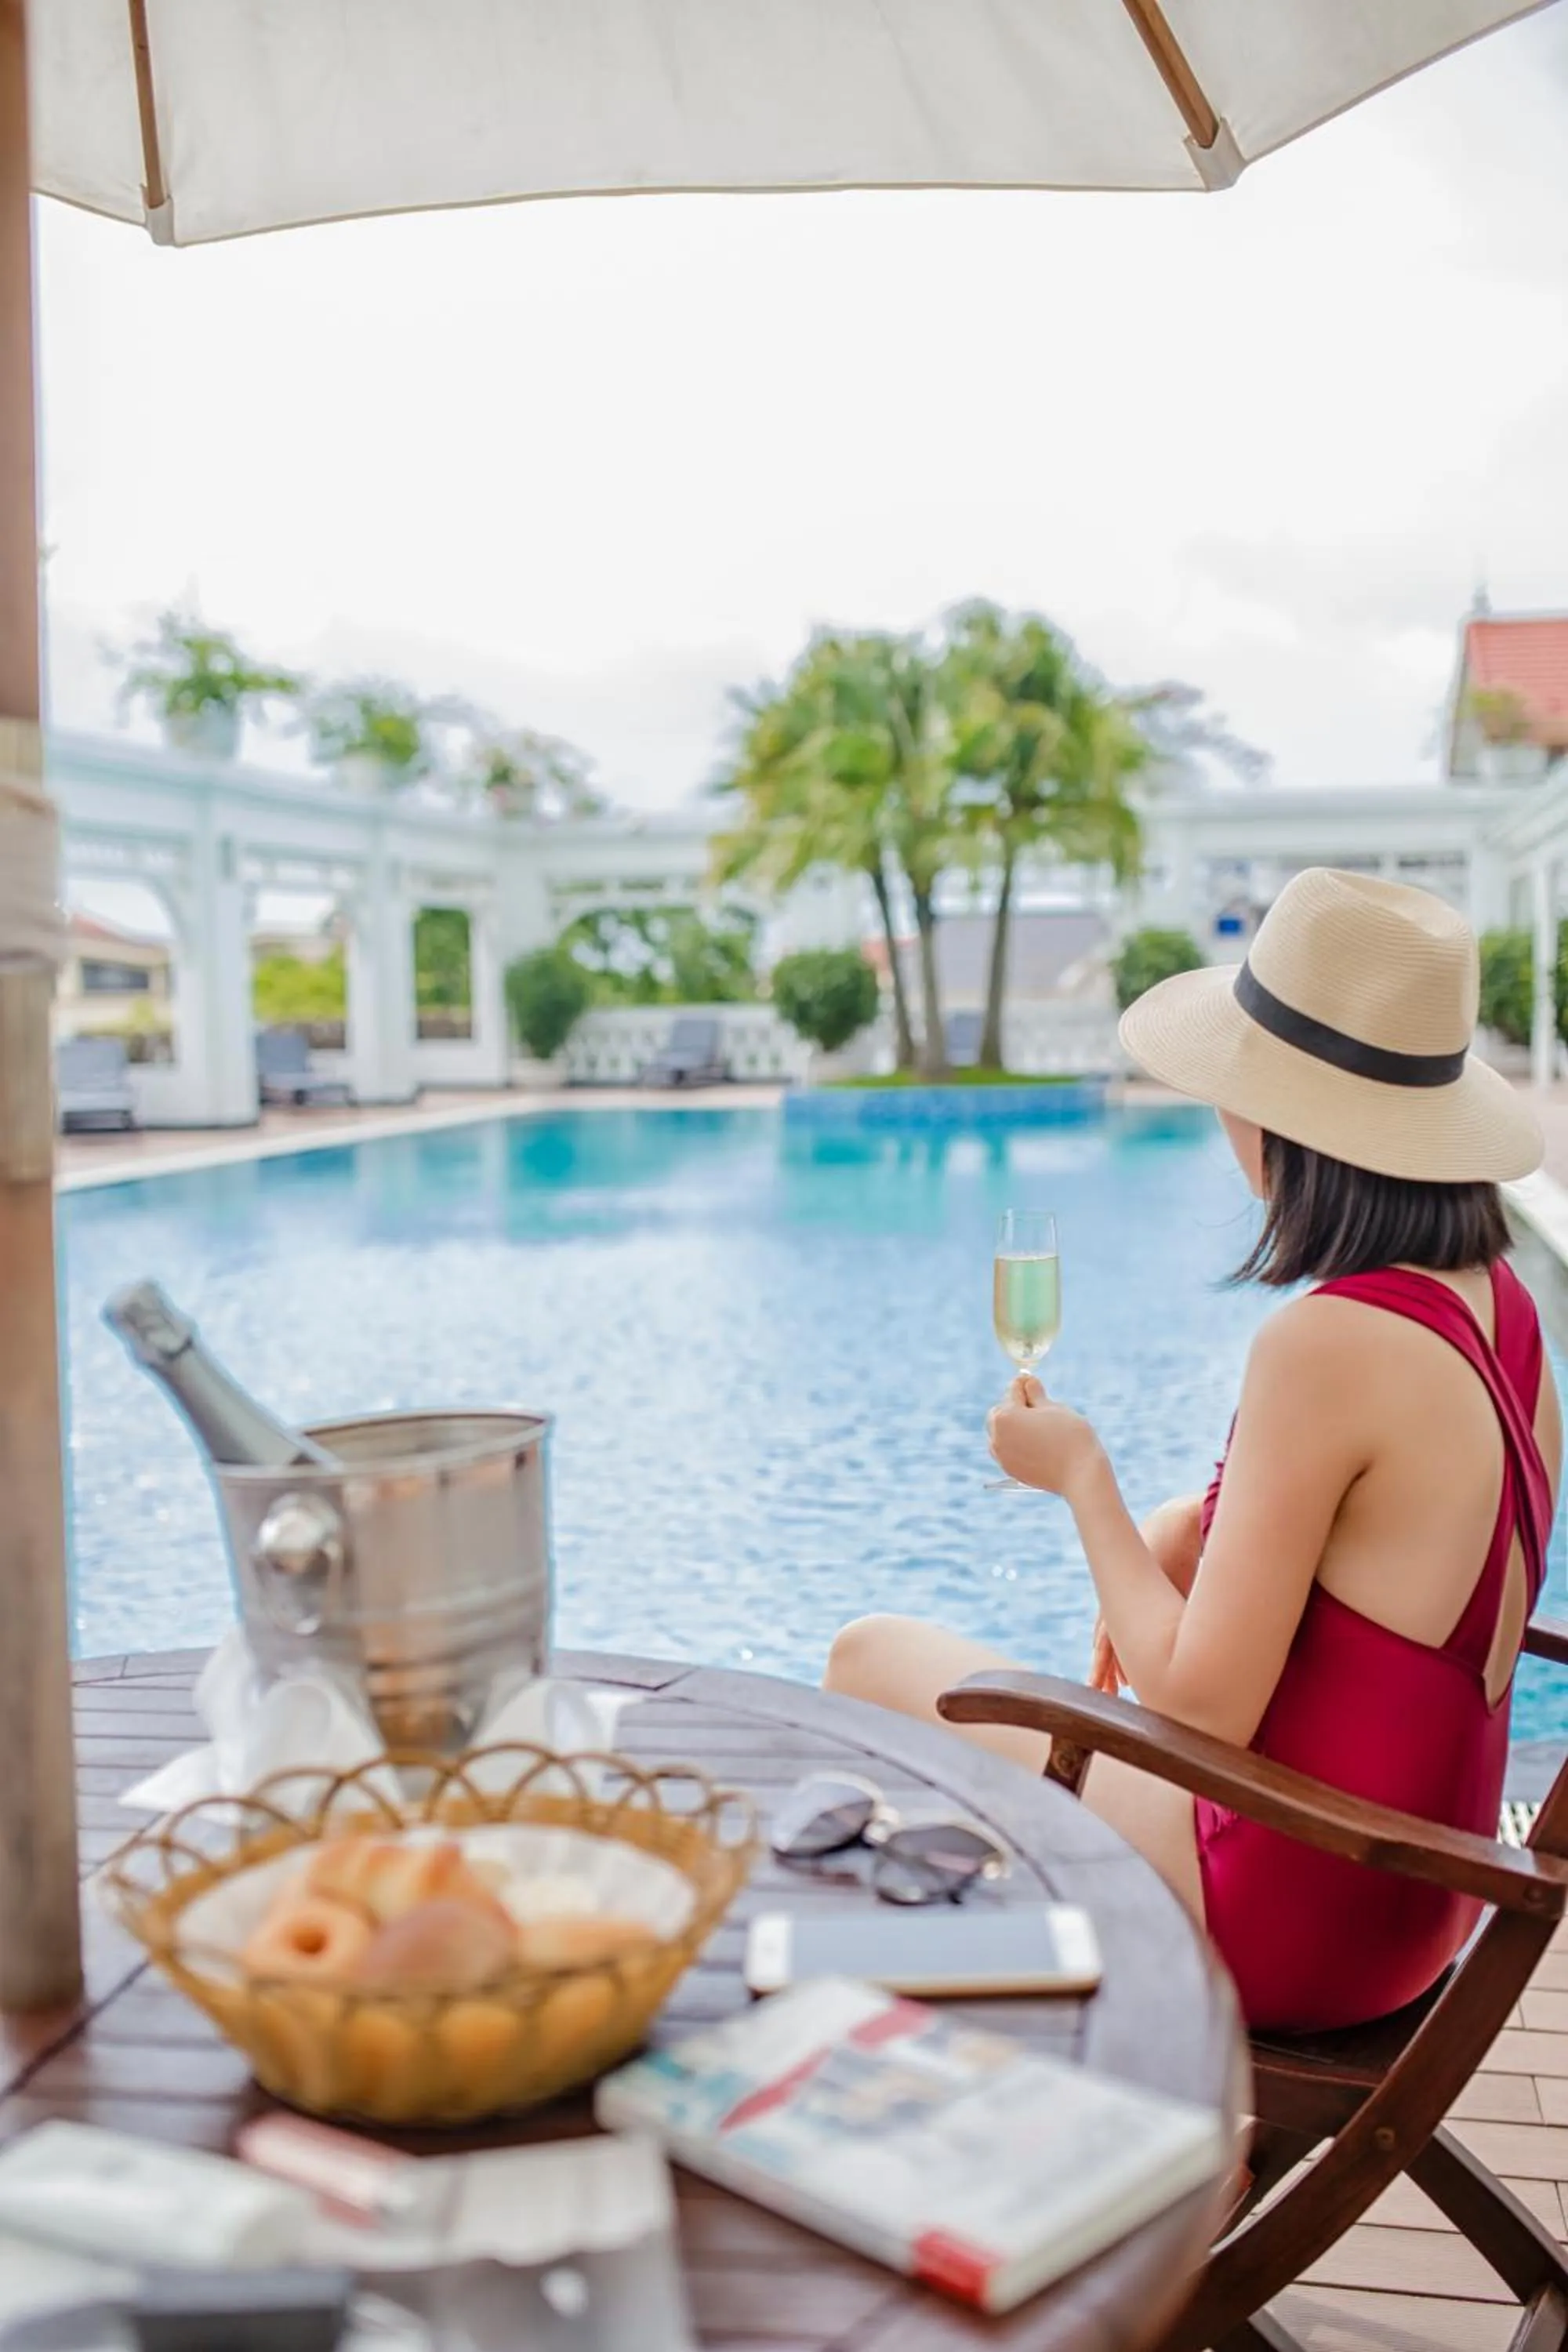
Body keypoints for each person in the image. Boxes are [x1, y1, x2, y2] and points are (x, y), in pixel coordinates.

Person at [826, 868, 1561, 2030]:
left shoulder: (1328, 1343)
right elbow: (1387, 1569)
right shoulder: (1501, 1308)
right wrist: (1181, 1531)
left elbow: (1201, 1708)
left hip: (1295, 1913)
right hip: (1422, 1897)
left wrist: (1082, 1480)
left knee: (871, 1658)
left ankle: (980, 2042)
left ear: (1285, 1122)